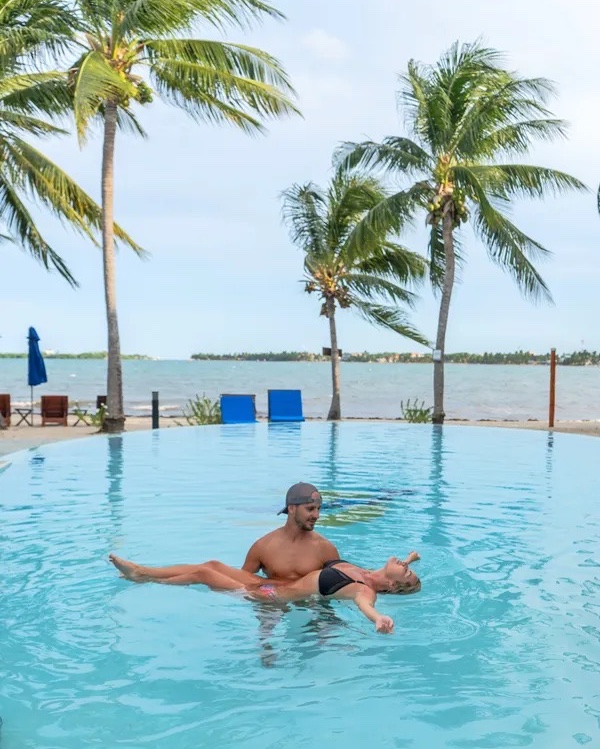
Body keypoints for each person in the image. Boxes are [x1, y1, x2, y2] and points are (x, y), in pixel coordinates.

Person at [108, 551, 421, 634]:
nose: (403, 565)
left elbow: (367, 606)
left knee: (204, 574)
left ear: (394, 586)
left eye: (406, 571)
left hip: (271, 596)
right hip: (274, 585)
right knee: (213, 564)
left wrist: (378, 619)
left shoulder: (364, 590)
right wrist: (410, 561)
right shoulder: (367, 572)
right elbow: (396, 569)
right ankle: (143, 570)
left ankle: (144, 577)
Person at [241, 482, 340, 581]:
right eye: (310, 509)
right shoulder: (263, 547)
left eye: (318, 509)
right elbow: (241, 582)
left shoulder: (325, 549)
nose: (317, 515)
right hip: (276, 591)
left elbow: (341, 586)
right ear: (291, 509)